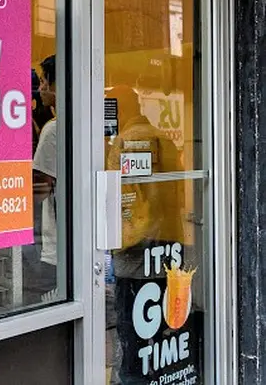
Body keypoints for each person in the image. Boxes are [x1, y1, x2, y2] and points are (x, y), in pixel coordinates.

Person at [104, 85, 184, 384]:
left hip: (137, 251)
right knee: (162, 330)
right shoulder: (161, 136)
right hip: (166, 244)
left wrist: (116, 241)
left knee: (131, 333)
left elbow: (128, 201)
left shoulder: (127, 140)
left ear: (120, 108)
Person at [30, 55, 58, 302]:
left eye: (43, 82)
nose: (40, 89)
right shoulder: (83, 125)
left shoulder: (53, 129)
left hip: (55, 248)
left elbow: (39, 190)